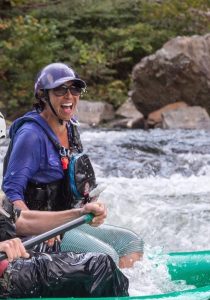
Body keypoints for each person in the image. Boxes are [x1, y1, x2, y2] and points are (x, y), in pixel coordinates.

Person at [2, 62, 144, 268]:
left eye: (74, 88)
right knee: (105, 256)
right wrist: (39, 229)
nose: (69, 95)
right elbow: (11, 195)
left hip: (66, 222)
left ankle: (129, 290)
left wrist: (89, 205)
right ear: (43, 96)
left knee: (131, 243)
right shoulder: (30, 136)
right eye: (60, 89)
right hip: (37, 232)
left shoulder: (70, 128)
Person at [0, 192, 129, 298]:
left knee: (54, 245)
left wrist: (80, 213)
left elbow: (21, 220)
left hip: (13, 252)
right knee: (99, 266)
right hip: (5, 271)